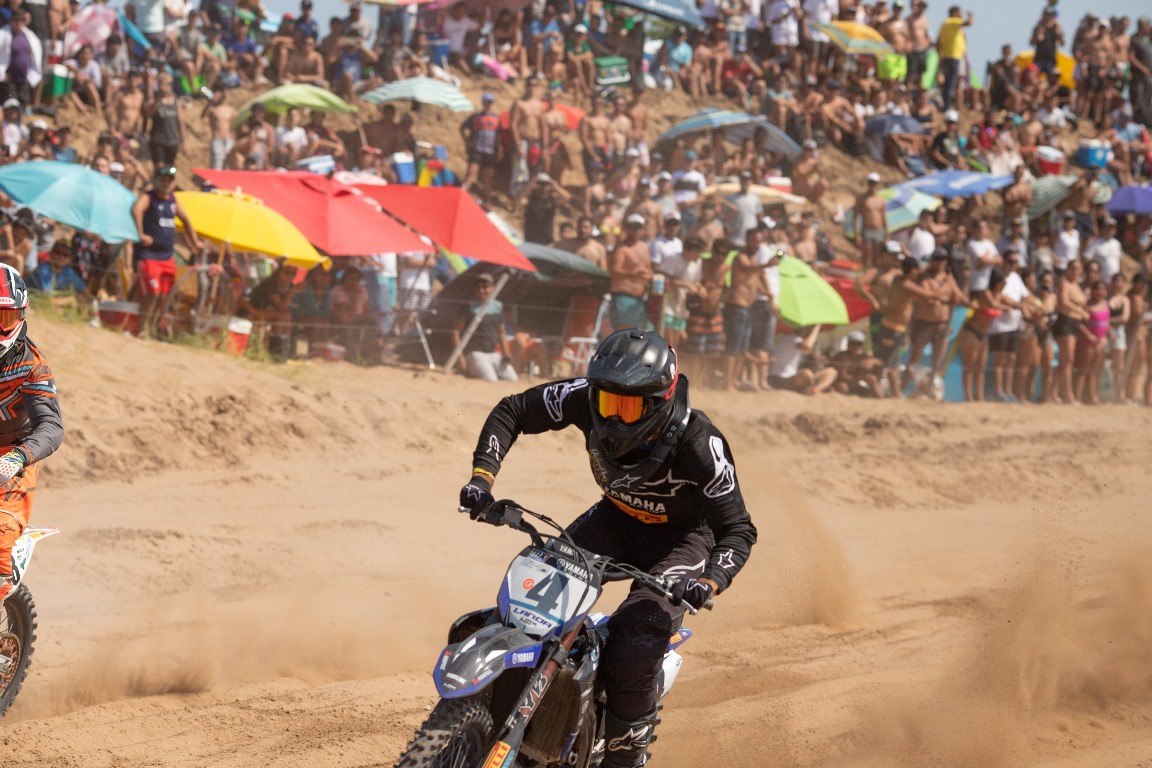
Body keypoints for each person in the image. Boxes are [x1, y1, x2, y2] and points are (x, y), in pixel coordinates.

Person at [457, 328, 757, 768]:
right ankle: (499, 715)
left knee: (635, 636)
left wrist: (710, 582)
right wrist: (482, 479)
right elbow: (514, 409)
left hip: (684, 540)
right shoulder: (583, 396)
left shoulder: (700, 444)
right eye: (606, 402)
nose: (612, 418)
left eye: (628, 407)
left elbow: (738, 529)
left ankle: (625, 754)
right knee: (529, 608)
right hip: (613, 520)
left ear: (660, 400)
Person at [0, 263, 63, 605]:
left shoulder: (31, 365)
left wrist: (19, 456)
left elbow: (51, 426)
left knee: (1, 533)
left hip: (11, 454)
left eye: (4, 317)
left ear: (21, 315)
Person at [131, 167, 201, 336]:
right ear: (156, 180)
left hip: (167, 257)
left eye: (169, 180)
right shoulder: (149, 197)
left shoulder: (173, 200)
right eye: (163, 179)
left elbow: (186, 219)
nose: (166, 183)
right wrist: (140, 234)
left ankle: (152, 330)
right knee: (152, 294)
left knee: (164, 297)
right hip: (149, 255)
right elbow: (136, 210)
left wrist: (195, 242)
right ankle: (141, 329)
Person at [452, 272, 517, 382]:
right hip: (475, 354)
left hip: (493, 353)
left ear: (492, 288)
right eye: (478, 287)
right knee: (491, 380)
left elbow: (501, 332)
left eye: (485, 286)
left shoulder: (498, 306)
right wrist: (460, 357)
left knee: (512, 379)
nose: (481, 290)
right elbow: (455, 331)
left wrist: (506, 353)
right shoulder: (468, 306)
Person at [607, 214, 652, 331]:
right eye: (633, 227)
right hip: (623, 296)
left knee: (639, 334)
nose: (636, 230)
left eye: (639, 227)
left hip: (640, 299)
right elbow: (613, 271)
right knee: (625, 333)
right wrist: (633, 274)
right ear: (626, 228)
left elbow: (648, 270)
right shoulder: (621, 248)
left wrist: (649, 277)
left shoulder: (644, 247)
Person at [768, 324, 839, 394]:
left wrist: (817, 361)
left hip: (794, 378)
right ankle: (810, 389)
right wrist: (816, 328)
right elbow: (807, 346)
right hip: (780, 379)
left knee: (831, 372)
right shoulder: (792, 338)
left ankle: (815, 389)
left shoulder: (799, 344)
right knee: (807, 374)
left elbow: (807, 361)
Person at [936, 6, 973, 112]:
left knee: (951, 82)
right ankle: (948, 106)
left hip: (949, 56)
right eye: (960, 13)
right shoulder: (952, 21)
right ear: (955, 13)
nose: (961, 15)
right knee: (951, 82)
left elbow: (938, 42)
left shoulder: (945, 24)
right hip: (953, 56)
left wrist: (940, 56)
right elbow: (969, 23)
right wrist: (971, 15)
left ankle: (950, 105)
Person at [852, 173, 888, 269]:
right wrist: (856, 235)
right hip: (867, 230)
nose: (872, 185)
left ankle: (873, 275)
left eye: (874, 183)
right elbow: (855, 217)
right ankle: (864, 273)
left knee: (878, 257)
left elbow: (884, 218)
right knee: (866, 256)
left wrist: (887, 233)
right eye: (870, 182)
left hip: (879, 230)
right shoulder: (862, 199)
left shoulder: (881, 200)